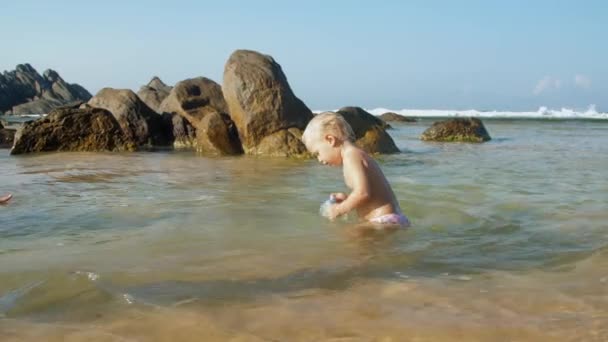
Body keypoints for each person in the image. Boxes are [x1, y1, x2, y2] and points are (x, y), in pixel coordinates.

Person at [301, 112, 409, 227]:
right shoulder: (353, 155)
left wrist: (339, 209)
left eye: (317, 153)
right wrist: (346, 199)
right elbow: (368, 195)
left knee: (348, 240)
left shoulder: (352, 156)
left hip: (383, 220)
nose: (319, 159)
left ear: (330, 140)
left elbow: (363, 193)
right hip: (387, 219)